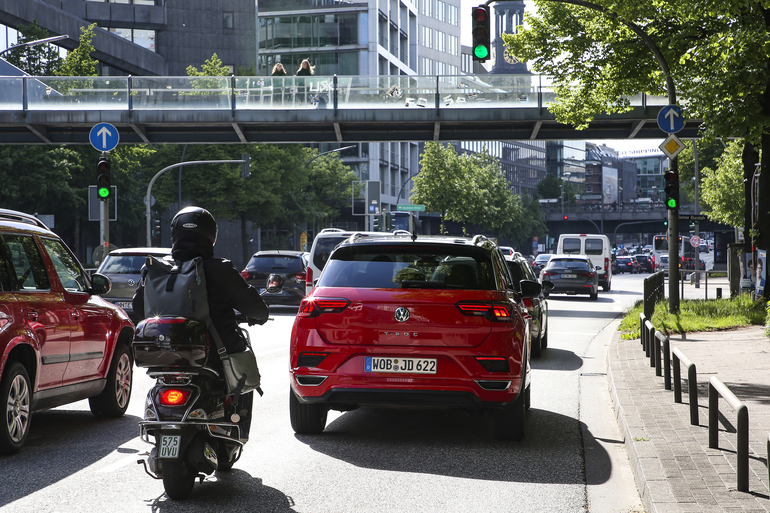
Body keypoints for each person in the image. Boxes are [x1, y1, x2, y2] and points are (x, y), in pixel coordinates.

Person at [133, 206, 269, 440]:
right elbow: (257, 310)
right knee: (243, 377)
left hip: (161, 353)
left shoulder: (156, 269)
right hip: (217, 352)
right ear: (211, 236)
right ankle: (236, 429)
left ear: (174, 234)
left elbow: (137, 310)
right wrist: (258, 315)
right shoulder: (220, 268)